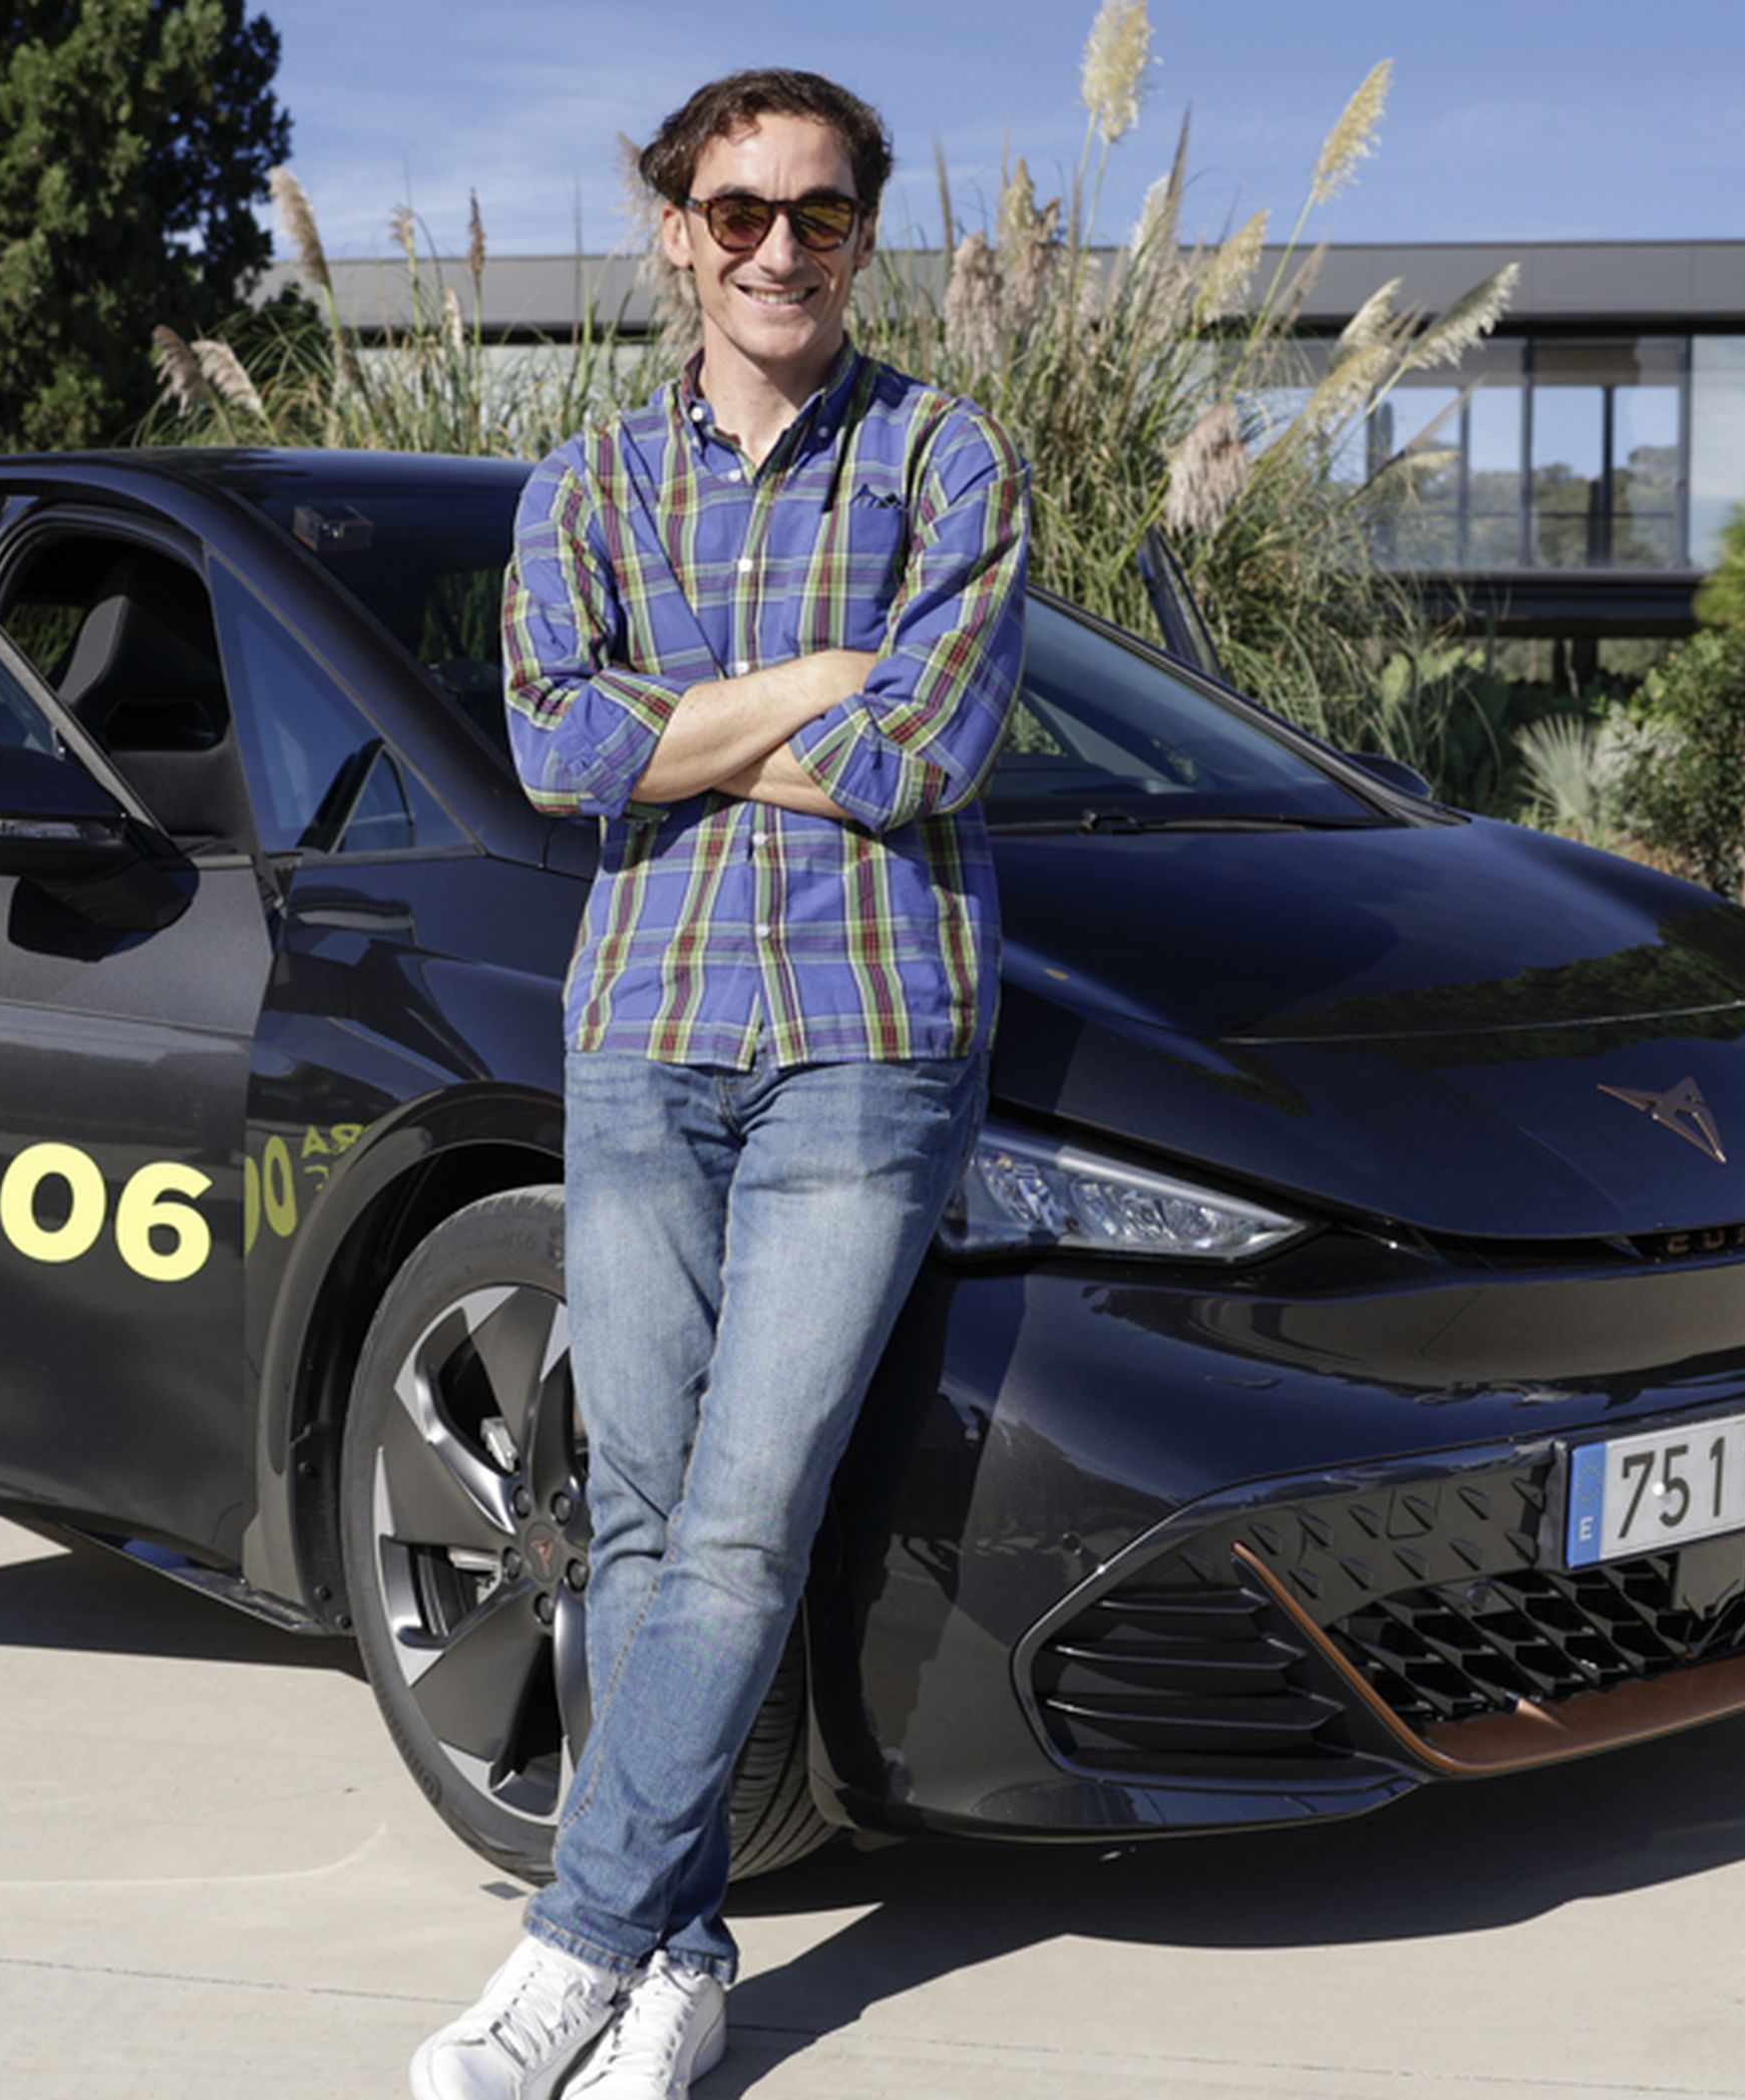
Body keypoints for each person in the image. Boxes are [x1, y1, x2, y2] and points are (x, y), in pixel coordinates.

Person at [412, 64, 1030, 2100]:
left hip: (868, 1042)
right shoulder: (582, 485)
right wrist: (812, 686)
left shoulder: (947, 460)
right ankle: (680, 1958)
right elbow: (556, 752)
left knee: (747, 1518)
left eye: (821, 214)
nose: (781, 250)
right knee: (640, 1515)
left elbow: (923, 754)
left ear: (864, 236)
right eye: (741, 212)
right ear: (678, 229)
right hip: (645, 1037)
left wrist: (692, 726)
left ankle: (576, 1942)